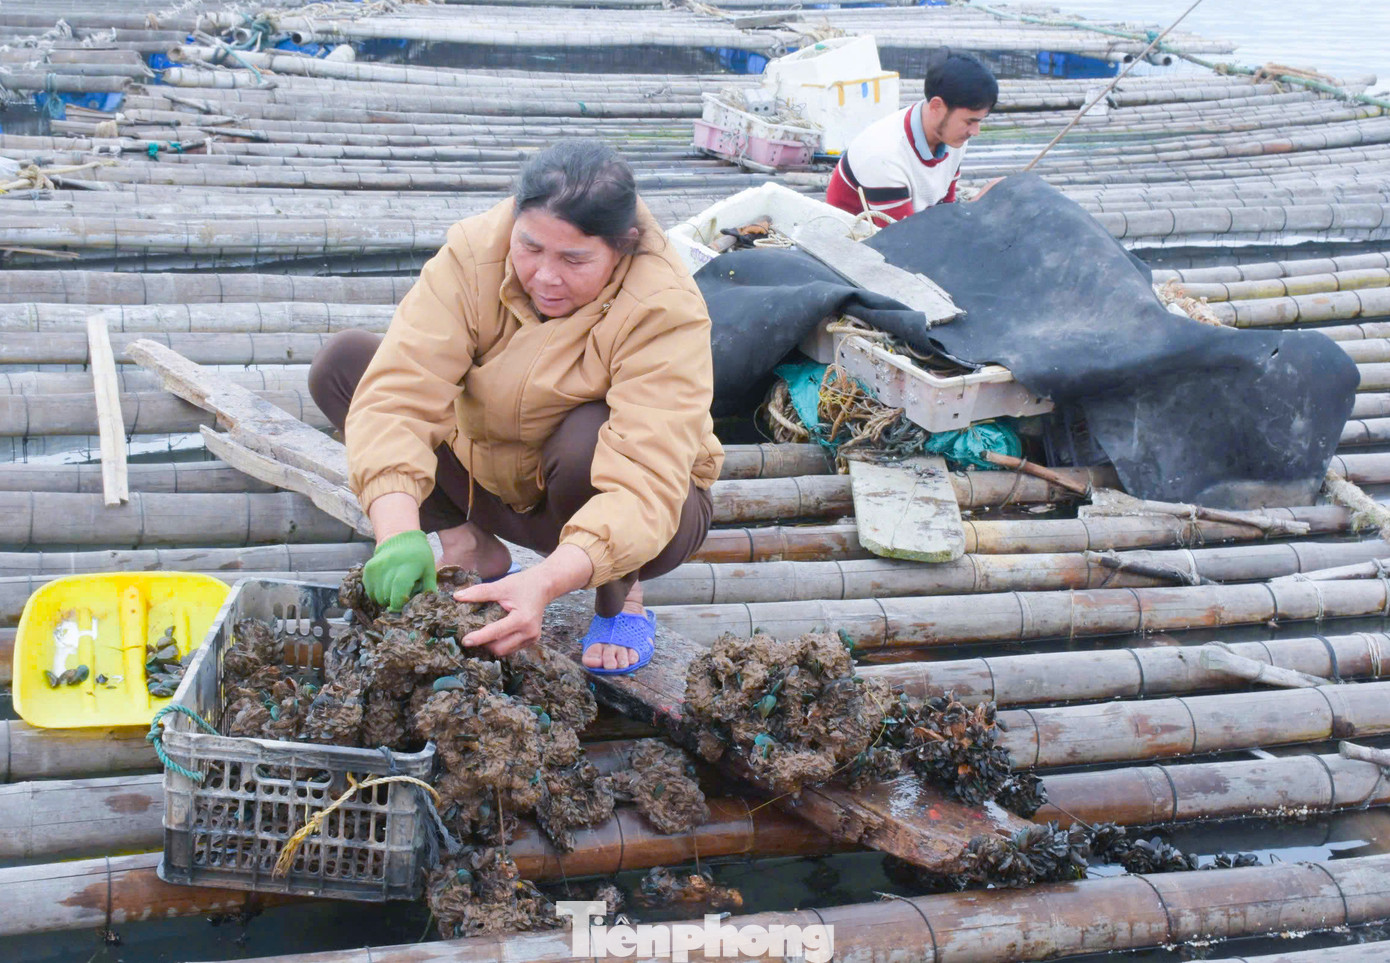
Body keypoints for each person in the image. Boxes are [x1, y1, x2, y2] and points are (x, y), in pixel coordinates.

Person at [308, 140, 724, 675]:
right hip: (488, 478)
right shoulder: (474, 252)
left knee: (588, 437)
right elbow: (400, 393)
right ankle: (467, 542)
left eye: (574, 259)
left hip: (614, 503)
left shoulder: (664, 306)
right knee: (346, 366)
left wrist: (544, 583)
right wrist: (397, 534)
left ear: (622, 248)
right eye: (530, 247)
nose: (545, 276)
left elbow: (645, 482)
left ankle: (623, 597)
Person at [825, 49, 1000, 223]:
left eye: (979, 121)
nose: (975, 131)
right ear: (936, 106)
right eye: (969, 121)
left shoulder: (954, 138)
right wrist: (977, 207)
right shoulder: (884, 156)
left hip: (912, 225)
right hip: (860, 235)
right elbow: (904, 236)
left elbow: (946, 208)